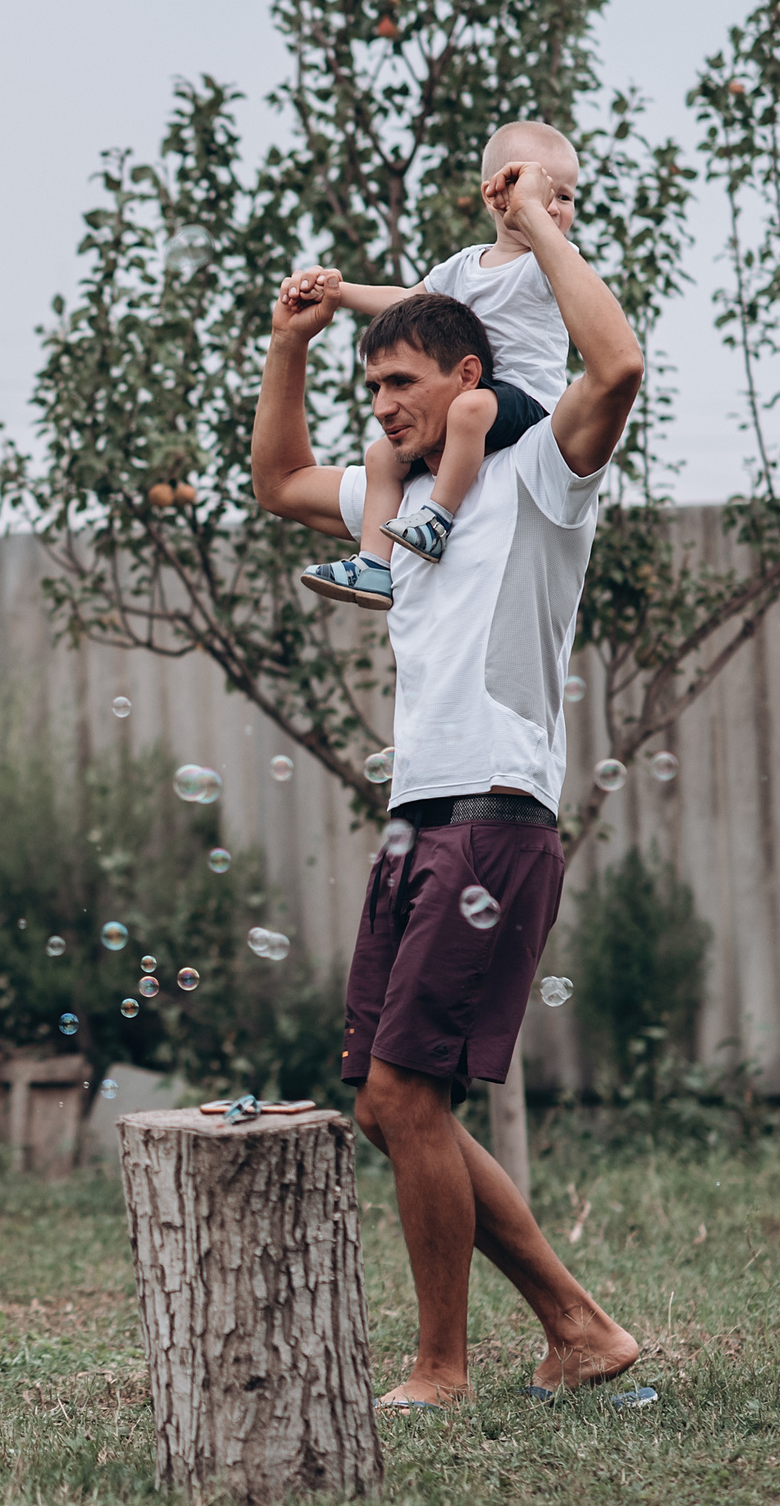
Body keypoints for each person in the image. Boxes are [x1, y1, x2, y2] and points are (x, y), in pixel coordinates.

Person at [249, 158, 648, 1411]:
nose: (382, 408)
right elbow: (276, 481)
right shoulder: (402, 503)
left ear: (467, 378)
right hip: (417, 817)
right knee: (385, 1105)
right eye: (371, 389)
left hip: (494, 813)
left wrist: (530, 221)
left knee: (404, 1094)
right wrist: (290, 346)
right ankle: (578, 1326)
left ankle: (439, 1367)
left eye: (401, 385)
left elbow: (616, 366)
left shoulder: (537, 479)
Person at [299, 121, 581, 610]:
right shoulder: (464, 265)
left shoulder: (552, 261)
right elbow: (405, 299)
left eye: (566, 196)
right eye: (539, 190)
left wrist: (534, 214)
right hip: (475, 400)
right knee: (381, 455)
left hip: (530, 406)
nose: (553, 206)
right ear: (494, 194)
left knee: (468, 409)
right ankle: (374, 564)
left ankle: (436, 520)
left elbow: (584, 298)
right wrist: (339, 293)